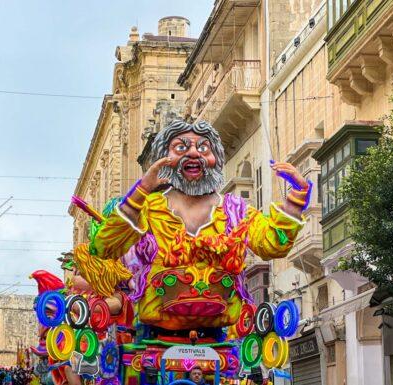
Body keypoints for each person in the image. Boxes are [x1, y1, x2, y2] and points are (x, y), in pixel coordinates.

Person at [86, 120, 309, 331]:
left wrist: (297, 197)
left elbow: (274, 245)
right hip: (153, 335)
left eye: (203, 148)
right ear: (164, 158)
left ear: (216, 158)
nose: (193, 153)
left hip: (220, 336)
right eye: (181, 147)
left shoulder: (235, 210)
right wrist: (141, 190)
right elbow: (104, 248)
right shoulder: (148, 207)